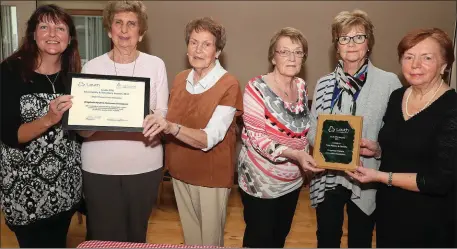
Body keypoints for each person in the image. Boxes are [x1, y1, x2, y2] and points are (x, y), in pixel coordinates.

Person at [347, 28, 457, 248]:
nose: (415, 65)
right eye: (409, 57)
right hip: (390, 210)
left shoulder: (451, 108)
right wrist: (377, 150)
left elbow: (438, 181)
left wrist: (380, 177)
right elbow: (402, 147)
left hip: (431, 217)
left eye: (427, 57)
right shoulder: (397, 96)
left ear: (444, 65)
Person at [142, 17, 242, 246]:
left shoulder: (229, 84)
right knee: (191, 240)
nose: (198, 50)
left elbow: (209, 138)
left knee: (208, 242)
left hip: (210, 176)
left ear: (217, 51)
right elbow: (167, 118)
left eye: (206, 44)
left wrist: (170, 127)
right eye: (193, 42)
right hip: (179, 172)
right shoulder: (179, 79)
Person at [306, 9, 402, 248]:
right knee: (327, 238)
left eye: (358, 37)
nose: (351, 44)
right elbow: (312, 129)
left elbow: (398, 135)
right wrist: (321, 144)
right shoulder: (324, 83)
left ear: (368, 43)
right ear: (336, 46)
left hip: (366, 176)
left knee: (360, 238)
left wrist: (378, 149)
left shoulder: (389, 82)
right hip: (328, 176)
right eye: (344, 38)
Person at [78, 0, 168, 242]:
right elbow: (84, 131)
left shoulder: (156, 65)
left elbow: (162, 113)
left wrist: (156, 121)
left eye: (132, 24)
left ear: (141, 33)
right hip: (98, 166)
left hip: (144, 164)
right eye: (118, 23)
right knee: (101, 236)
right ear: (109, 30)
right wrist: (90, 121)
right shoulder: (92, 67)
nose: (125, 30)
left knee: (136, 234)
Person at [0, 4, 82, 247]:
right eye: (44, 27)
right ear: (33, 34)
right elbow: (10, 135)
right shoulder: (9, 71)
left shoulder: (73, 75)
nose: (52, 34)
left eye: (60, 28)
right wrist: (48, 119)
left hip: (66, 186)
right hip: (25, 190)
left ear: (69, 37)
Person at [236, 27, 323, 248]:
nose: (292, 58)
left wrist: (312, 158)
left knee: (279, 237)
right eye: (284, 52)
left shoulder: (301, 86)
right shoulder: (256, 88)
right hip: (260, 183)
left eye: (298, 52)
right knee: (259, 239)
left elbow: (302, 132)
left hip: (292, 181)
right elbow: (259, 140)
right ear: (273, 57)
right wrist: (297, 155)